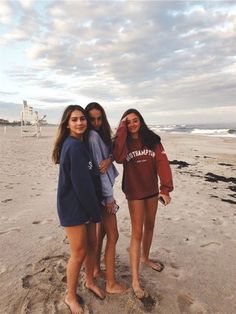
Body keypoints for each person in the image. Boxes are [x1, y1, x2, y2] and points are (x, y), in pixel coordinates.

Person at [113, 108, 173, 299]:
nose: (132, 124)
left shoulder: (153, 140)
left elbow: (162, 163)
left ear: (141, 121)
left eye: (135, 120)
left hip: (152, 191)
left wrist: (165, 188)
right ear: (124, 124)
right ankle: (135, 281)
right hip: (134, 193)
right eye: (127, 121)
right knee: (137, 232)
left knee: (151, 226)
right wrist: (121, 131)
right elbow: (119, 157)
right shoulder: (123, 142)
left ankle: (145, 257)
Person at [52, 105, 105, 314]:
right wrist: (95, 211)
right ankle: (70, 295)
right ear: (67, 123)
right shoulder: (73, 146)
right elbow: (81, 185)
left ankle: (89, 280)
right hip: (73, 206)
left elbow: (91, 178)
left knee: (92, 244)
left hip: (88, 203)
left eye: (82, 118)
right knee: (79, 252)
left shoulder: (80, 144)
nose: (80, 123)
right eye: (74, 120)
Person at [85, 102, 126, 294]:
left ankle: (95, 269)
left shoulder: (97, 135)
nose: (96, 122)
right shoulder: (93, 137)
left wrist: (109, 159)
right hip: (102, 193)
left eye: (99, 118)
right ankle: (110, 284)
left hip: (98, 192)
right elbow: (100, 171)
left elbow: (105, 159)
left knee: (101, 234)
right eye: (91, 119)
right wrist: (109, 198)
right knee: (113, 235)